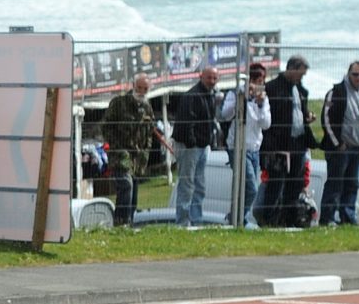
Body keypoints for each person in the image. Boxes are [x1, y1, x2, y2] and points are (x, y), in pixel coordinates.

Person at [259, 55, 316, 227]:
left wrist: (307, 117)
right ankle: (269, 220)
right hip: (278, 145)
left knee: (295, 184)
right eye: (300, 73)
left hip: (298, 143)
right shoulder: (272, 88)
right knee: (276, 184)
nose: (301, 77)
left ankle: (289, 220)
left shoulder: (300, 89)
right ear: (291, 68)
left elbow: (299, 111)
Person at [98, 75, 161, 227]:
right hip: (120, 152)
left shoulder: (147, 107)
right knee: (126, 184)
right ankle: (121, 222)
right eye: (139, 88)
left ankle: (129, 222)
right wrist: (115, 144)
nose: (141, 91)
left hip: (138, 156)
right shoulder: (119, 103)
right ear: (133, 86)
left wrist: (146, 151)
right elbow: (105, 125)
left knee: (134, 188)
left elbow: (150, 131)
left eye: (145, 89)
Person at [318, 61, 359, 227]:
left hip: (356, 147)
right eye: (355, 74)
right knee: (335, 184)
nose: (358, 78)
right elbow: (326, 119)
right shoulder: (336, 92)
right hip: (340, 148)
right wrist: (338, 143)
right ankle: (327, 218)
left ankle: (347, 218)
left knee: (351, 184)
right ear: (349, 73)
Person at [163, 67, 221, 228]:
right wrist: (192, 142)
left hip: (201, 147)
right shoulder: (192, 95)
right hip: (190, 147)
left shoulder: (210, 95)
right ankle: (183, 222)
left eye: (215, 78)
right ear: (201, 76)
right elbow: (187, 121)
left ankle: (196, 219)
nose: (212, 81)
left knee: (199, 185)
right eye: (209, 77)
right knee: (187, 185)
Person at [225, 64, 269, 225]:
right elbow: (226, 114)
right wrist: (242, 98)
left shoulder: (263, 99)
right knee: (252, 188)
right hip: (238, 147)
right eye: (257, 80)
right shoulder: (235, 93)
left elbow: (266, 124)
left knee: (245, 188)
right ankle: (236, 218)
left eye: (262, 80)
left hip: (254, 148)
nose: (259, 84)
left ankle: (237, 221)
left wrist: (261, 105)